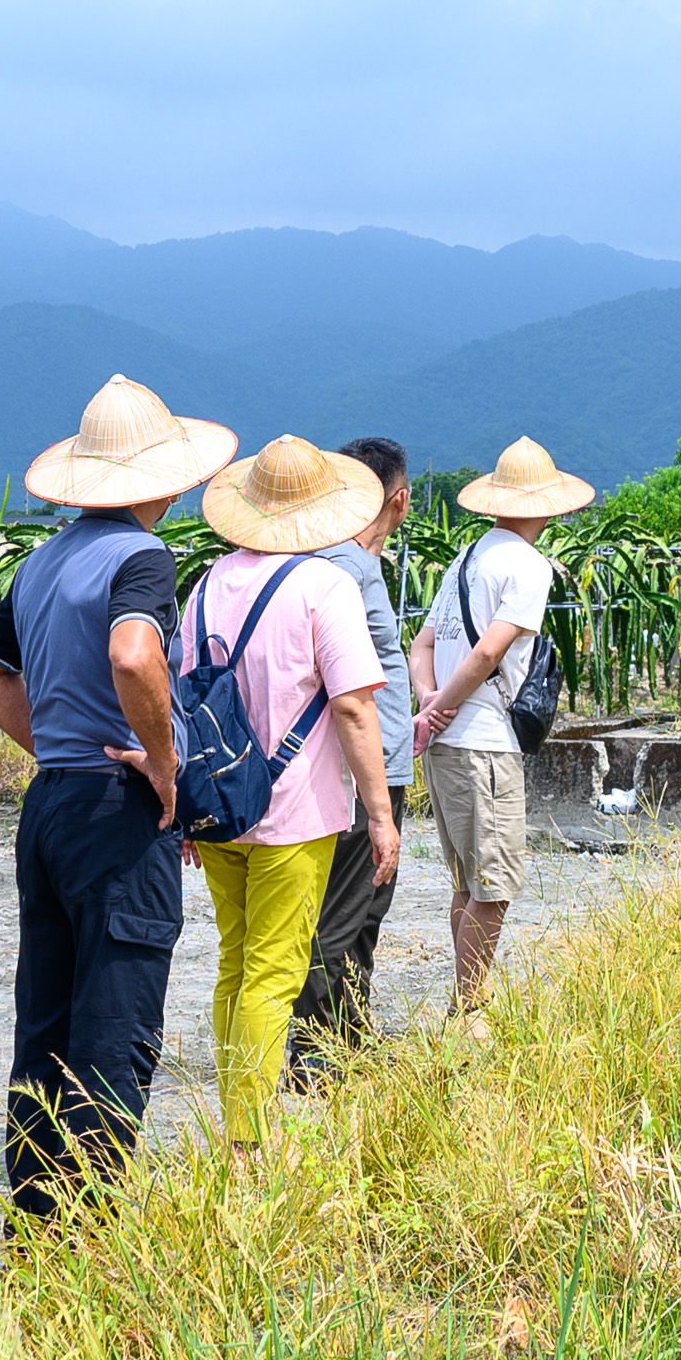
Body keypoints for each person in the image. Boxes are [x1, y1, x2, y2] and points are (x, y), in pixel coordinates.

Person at [0, 375, 228, 1214]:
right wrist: (163, 761)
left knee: (44, 1020)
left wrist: (52, 744)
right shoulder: (143, 557)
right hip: (117, 810)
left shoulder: (41, 561)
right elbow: (132, 656)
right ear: (163, 478)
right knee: (114, 1024)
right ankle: (93, 1228)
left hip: (51, 805)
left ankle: (39, 1219)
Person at [177, 434, 398, 1144]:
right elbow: (356, 706)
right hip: (296, 810)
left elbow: (183, 692)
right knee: (275, 971)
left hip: (219, 806)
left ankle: (237, 1113)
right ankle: (247, 1140)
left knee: (235, 961)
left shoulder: (207, 583)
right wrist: (381, 815)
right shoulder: (324, 586)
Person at [408, 435, 590, 1013]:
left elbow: (422, 644)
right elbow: (489, 653)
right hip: (484, 745)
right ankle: (469, 1012)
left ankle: (467, 1006)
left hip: (446, 745)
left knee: (468, 884)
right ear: (548, 505)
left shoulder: (466, 560)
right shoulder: (528, 565)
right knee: (496, 888)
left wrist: (430, 702)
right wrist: (445, 706)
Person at [285, 436, 417, 1085]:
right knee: (341, 913)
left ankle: (352, 1037)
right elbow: (354, 696)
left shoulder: (330, 561)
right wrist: (379, 802)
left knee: (363, 909)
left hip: (367, 763)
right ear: (398, 498)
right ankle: (312, 1058)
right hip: (365, 770)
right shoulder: (349, 570)